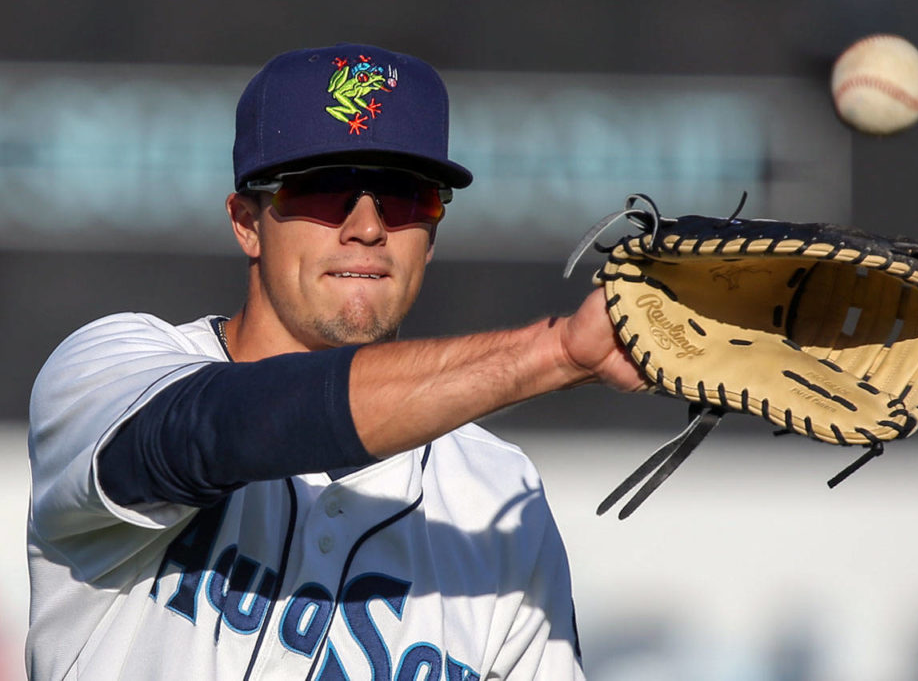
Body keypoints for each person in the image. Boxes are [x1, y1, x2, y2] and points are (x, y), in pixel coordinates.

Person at [25, 43, 642, 680]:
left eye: (405, 197)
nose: (368, 227)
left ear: (433, 233)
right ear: (246, 221)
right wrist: (556, 352)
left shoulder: (497, 494)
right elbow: (211, 430)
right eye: (324, 191)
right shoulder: (108, 368)